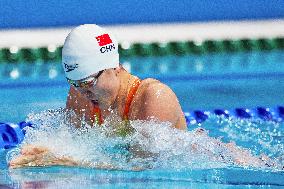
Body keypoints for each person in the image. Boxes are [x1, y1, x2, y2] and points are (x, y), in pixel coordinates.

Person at [9, 24, 187, 169]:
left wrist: (71, 161)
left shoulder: (153, 98)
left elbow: (143, 170)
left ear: (114, 66)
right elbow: (76, 147)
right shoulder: (81, 97)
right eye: (75, 83)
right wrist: (48, 152)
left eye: (88, 82)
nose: (82, 92)